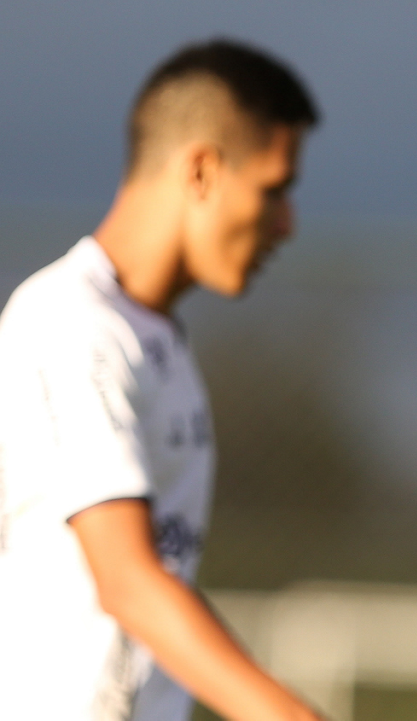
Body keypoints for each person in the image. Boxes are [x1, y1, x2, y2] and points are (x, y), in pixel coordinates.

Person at [0, 39, 322, 720]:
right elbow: (127, 580)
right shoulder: (73, 324)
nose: (287, 223)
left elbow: (155, 575)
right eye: (274, 189)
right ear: (202, 170)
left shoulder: (154, 338)